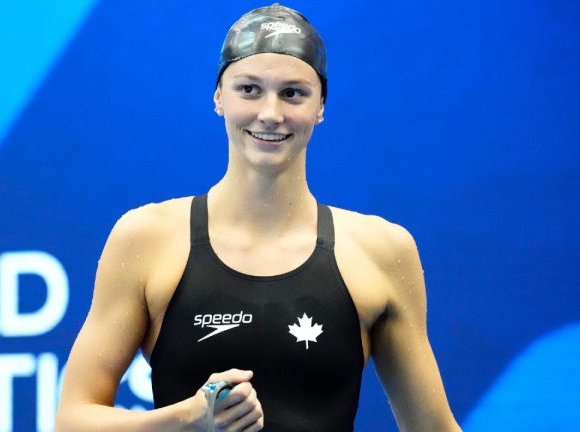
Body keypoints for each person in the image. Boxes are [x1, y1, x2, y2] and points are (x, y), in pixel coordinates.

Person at [55, 4, 461, 432]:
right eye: (249, 89)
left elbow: (433, 427)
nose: (270, 113)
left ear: (321, 105)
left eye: (293, 93)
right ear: (218, 98)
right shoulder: (147, 239)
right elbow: (73, 420)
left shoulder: (381, 250)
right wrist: (188, 419)